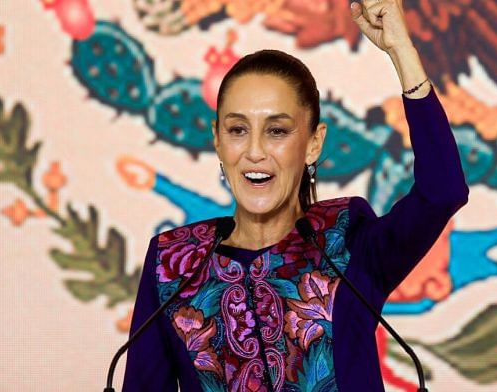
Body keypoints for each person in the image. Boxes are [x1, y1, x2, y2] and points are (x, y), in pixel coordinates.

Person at [122, 0, 469, 390]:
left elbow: (442, 191)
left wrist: (402, 51)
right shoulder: (174, 263)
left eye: (277, 131)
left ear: (313, 144)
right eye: (238, 130)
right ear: (217, 141)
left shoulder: (348, 245)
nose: (255, 151)